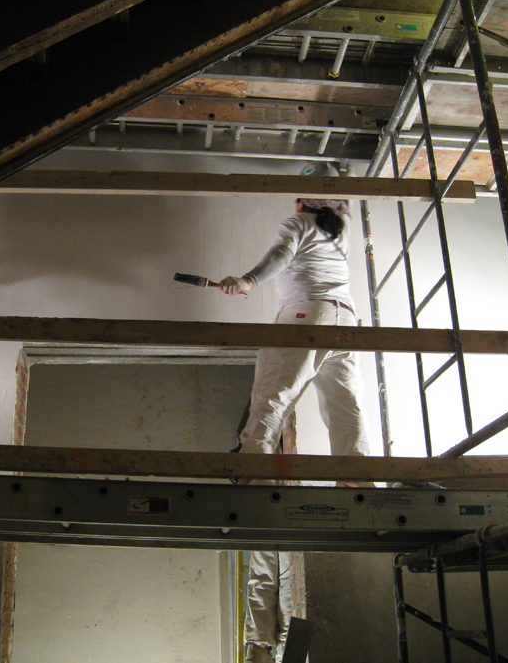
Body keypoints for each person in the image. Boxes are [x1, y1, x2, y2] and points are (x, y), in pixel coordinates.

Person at [219, 164, 372, 662]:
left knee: (271, 400)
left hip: (305, 312)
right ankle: (356, 477)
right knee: (343, 404)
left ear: (303, 199)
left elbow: (279, 258)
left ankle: (256, 474)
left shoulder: (300, 225)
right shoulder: (341, 228)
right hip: (344, 317)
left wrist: (245, 281)